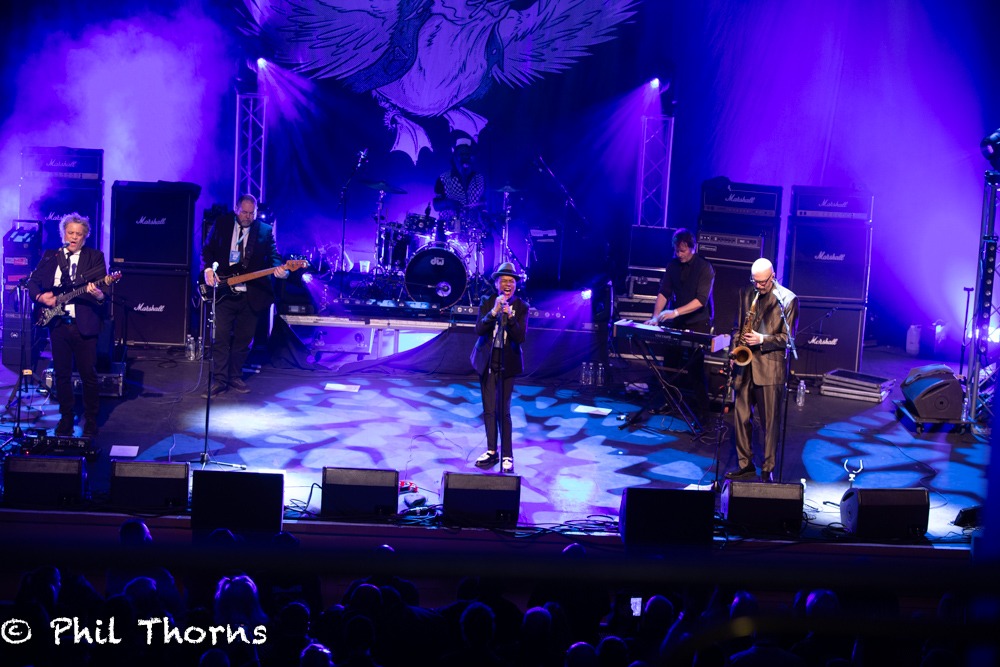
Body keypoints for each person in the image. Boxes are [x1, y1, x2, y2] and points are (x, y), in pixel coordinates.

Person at [28, 212, 108, 437]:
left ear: (85, 236)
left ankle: (91, 419)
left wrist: (99, 294)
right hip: (57, 324)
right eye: (70, 232)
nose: (73, 237)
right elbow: (32, 282)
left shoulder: (95, 257)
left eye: (78, 234)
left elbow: (104, 293)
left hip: (84, 324)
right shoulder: (51, 256)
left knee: (88, 374)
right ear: (63, 233)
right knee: (61, 374)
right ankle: (66, 417)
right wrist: (40, 297)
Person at [202, 194, 287, 397]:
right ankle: (219, 380)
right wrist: (208, 269)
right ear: (236, 209)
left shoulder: (264, 230)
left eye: (251, 213)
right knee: (221, 337)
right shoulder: (222, 223)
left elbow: (274, 256)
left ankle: (235, 376)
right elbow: (207, 250)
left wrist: (281, 270)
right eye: (244, 212)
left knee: (243, 339)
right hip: (224, 291)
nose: (248, 217)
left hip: (251, 294)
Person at [725, 258, 798, 483]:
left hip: (769, 368)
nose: (758, 286)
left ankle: (767, 469)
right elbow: (738, 327)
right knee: (741, 417)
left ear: (773, 276)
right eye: (754, 281)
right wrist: (734, 351)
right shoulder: (747, 293)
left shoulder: (788, 299)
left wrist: (762, 339)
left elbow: (788, 339)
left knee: (769, 423)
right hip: (744, 365)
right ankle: (745, 464)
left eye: (762, 282)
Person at [645, 228, 715, 421]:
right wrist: (655, 316)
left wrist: (675, 312)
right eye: (677, 250)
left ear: (693, 248)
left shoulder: (705, 267)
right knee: (670, 363)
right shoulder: (673, 265)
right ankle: (669, 403)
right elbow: (664, 292)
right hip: (678, 321)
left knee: (695, 368)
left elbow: (701, 300)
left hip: (698, 322)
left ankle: (703, 412)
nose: (679, 254)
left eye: (683, 250)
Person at [471, 262, 527, 473]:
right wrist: (494, 311)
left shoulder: (521, 307)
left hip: (508, 362)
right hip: (487, 360)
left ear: (515, 285)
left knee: (504, 410)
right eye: (503, 280)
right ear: (496, 284)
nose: (507, 284)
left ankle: (507, 455)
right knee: (489, 409)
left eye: (511, 281)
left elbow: (520, 337)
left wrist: (510, 317)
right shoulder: (487, 302)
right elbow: (479, 330)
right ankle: (492, 450)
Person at [433, 134, 492, 274]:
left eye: (468, 154)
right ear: (455, 157)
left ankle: (487, 278)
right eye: (462, 154)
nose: (465, 157)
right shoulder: (443, 178)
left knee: (489, 238)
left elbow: (484, 203)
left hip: (473, 225)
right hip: (448, 224)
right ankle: (440, 272)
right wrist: (450, 203)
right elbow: (436, 204)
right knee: (439, 235)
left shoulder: (480, 179)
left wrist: (484, 213)